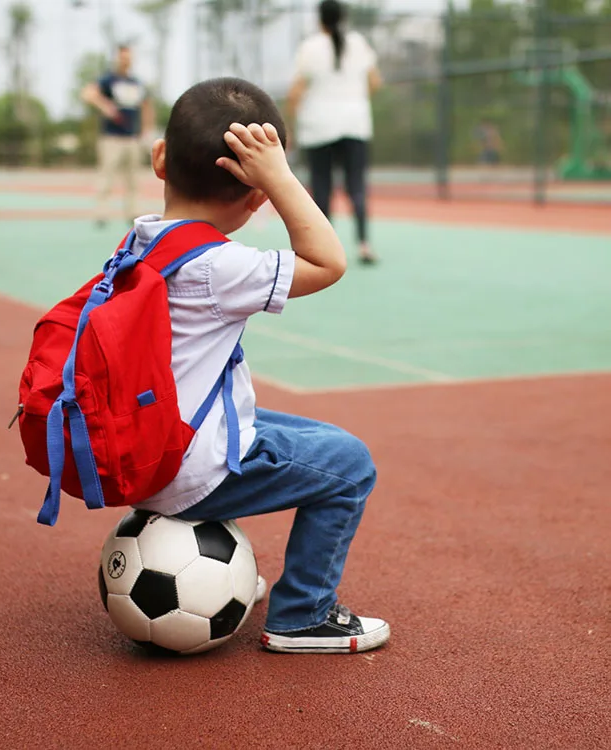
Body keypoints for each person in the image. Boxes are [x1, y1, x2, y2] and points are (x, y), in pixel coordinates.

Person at [124, 77, 389, 654]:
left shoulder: (142, 238)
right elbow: (328, 259)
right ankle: (301, 616)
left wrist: (267, 180)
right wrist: (281, 176)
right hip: (190, 470)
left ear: (160, 159)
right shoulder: (220, 266)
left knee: (321, 437)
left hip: (152, 442)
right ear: (256, 196)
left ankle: (228, 577)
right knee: (351, 465)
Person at [287, 0, 382, 265]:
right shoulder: (359, 43)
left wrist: (291, 122)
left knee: (321, 187)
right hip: (355, 124)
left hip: (318, 127)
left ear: (320, 20)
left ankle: (323, 251)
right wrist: (354, 100)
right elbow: (375, 81)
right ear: (343, 17)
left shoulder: (309, 47)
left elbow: (296, 91)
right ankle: (364, 245)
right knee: (357, 186)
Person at [82, 45, 154, 227]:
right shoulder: (108, 80)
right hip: (111, 137)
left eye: (128, 57)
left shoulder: (136, 83)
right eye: (122, 57)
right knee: (106, 176)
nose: (125, 60)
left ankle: (133, 213)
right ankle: (101, 213)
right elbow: (88, 94)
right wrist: (105, 106)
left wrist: (146, 129)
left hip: (132, 137)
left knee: (134, 179)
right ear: (117, 58)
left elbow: (146, 106)